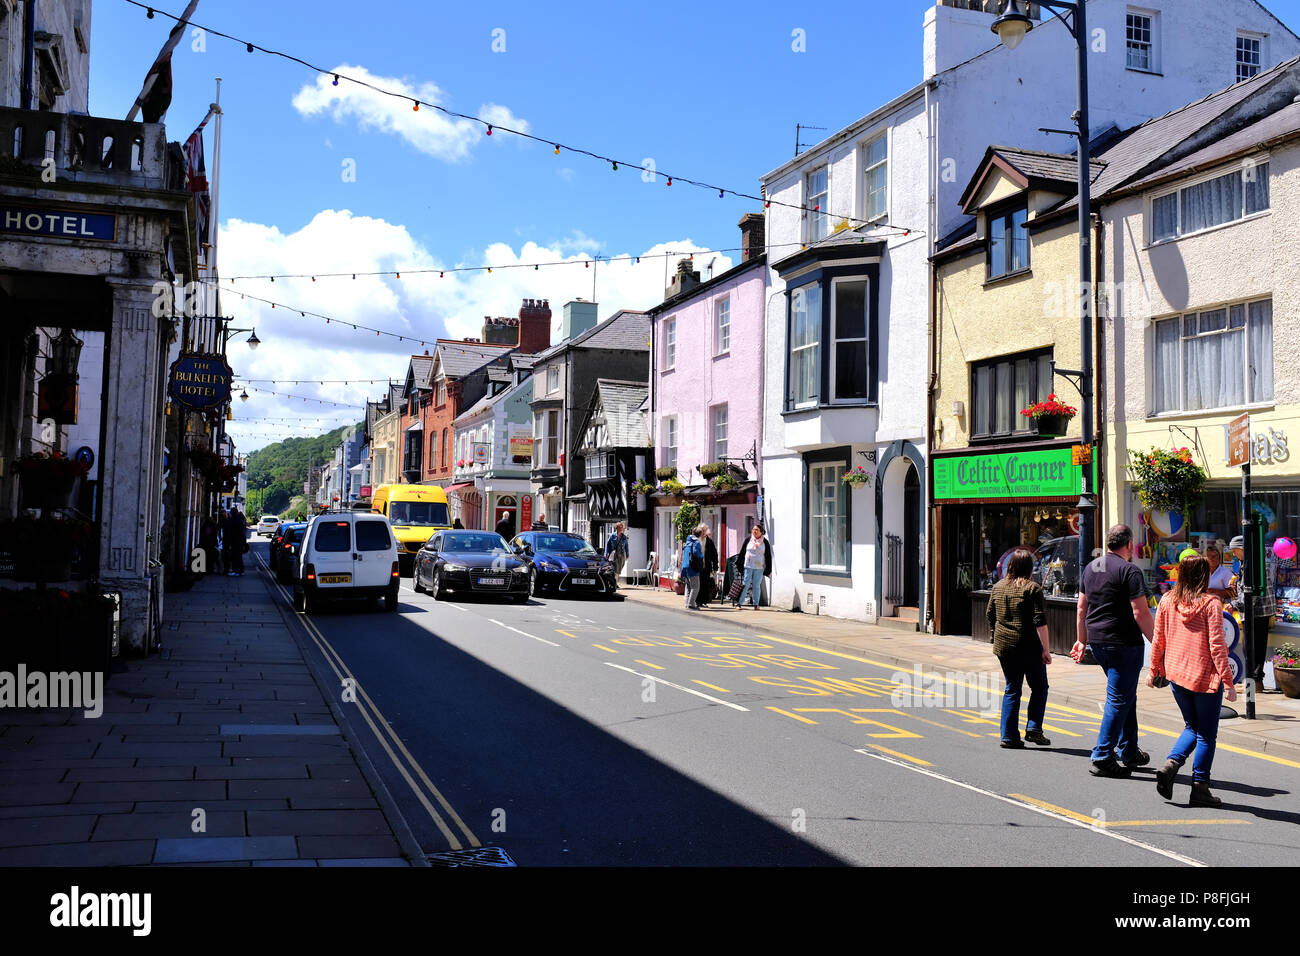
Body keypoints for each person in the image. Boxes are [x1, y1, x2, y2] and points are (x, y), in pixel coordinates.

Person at [1148, 553, 1237, 807]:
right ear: (1205, 576)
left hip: (1177, 674)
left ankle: (1171, 765)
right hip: (1204, 677)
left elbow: (1159, 640)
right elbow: (1217, 646)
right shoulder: (1210, 604)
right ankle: (1200, 787)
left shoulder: (1167, 600)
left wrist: (1154, 670)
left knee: (1191, 726)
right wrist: (1228, 682)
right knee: (1206, 734)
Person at [1072, 524, 1155, 777]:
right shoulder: (1130, 571)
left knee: (1125, 694)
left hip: (1098, 642)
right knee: (1119, 698)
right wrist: (1159, 644)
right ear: (1129, 545)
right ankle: (1103, 755)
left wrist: (1081, 640)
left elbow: (1081, 609)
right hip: (1124, 644)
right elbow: (1140, 612)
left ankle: (1129, 750)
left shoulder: (1091, 567)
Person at [987, 548, 1052, 749]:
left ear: (1011, 566)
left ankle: (1008, 736)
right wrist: (1046, 650)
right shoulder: (1033, 589)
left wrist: (996, 633)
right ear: (1030, 568)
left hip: (1004, 646)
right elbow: (1040, 622)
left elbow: (990, 614)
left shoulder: (998, 587)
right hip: (1028, 646)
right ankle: (1033, 728)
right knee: (1039, 687)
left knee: (1012, 689)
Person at [1228, 534, 1278, 692]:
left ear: (1242, 549)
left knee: (1253, 648)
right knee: (1251, 648)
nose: (1234, 555)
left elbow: (1252, 596)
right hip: (1255, 612)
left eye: (1235, 551)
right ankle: (1254, 682)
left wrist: (1233, 605)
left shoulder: (1252, 566)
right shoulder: (1247, 564)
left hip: (1257, 613)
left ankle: (1254, 683)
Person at [736, 524, 773, 609]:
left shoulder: (765, 542)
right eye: (753, 529)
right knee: (745, 584)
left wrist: (768, 569)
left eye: (756, 530)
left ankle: (756, 604)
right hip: (748, 566)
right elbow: (742, 552)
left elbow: (768, 556)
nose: (754, 531)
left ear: (761, 532)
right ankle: (739, 603)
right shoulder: (748, 540)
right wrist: (739, 564)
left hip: (759, 567)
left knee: (756, 585)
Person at [679, 526, 705, 610]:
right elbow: (696, 553)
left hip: (685, 567)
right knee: (696, 587)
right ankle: (691, 605)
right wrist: (702, 556)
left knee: (689, 587)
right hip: (693, 567)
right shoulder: (696, 542)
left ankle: (687, 603)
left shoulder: (687, 542)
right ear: (700, 534)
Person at [697, 526, 719, 605]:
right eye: (701, 530)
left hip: (706, 566)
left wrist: (715, 566)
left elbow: (714, 554)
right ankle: (698, 601)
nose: (703, 532)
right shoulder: (696, 540)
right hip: (697, 567)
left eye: (704, 531)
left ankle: (704, 601)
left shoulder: (709, 542)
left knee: (705, 584)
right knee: (698, 584)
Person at [604, 522, 628, 589]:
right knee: (616, 569)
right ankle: (615, 584)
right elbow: (608, 545)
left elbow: (626, 546)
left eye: (622, 527)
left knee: (619, 569)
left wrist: (627, 555)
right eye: (620, 527)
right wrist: (606, 553)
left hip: (622, 554)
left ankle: (615, 583)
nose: (621, 528)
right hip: (615, 554)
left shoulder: (624, 537)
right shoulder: (612, 536)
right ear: (616, 528)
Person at [223, 507, 247, 576]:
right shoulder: (240, 520)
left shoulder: (233, 520)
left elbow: (230, 532)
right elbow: (242, 532)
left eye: (231, 512)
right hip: (240, 541)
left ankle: (236, 571)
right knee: (239, 557)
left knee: (234, 557)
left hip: (235, 541)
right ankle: (241, 570)